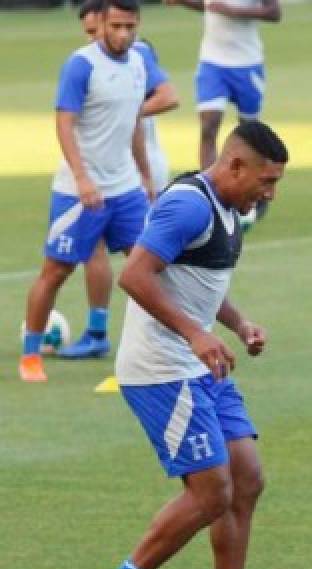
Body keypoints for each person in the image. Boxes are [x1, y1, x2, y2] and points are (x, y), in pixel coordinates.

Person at [82, 120, 288, 569]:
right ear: (234, 165)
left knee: (247, 479)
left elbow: (201, 284)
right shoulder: (189, 205)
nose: (270, 194)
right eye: (266, 181)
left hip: (201, 367)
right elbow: (137, 275)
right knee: (210, 492)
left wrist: (238, 324)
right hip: (160, 371)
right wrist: (196, 334)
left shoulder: (229, 213)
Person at [20, 0, 158, 383]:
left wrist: (144, 174)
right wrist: (82, 179)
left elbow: (133, 123)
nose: (123, 34)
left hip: (125, 188)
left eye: (130, 26)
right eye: (116, 26)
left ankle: (156, 349)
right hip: (79, 191)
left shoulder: (138, 62)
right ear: (101, 24)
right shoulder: (81, 65)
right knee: (56, 271)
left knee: (153, 265)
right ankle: (30, 355)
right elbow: (65, 124)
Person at [65, 0, 180, 369]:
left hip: (134, 169)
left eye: (95, 28)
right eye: (89, 33)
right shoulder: (93, 61)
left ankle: (168, 333)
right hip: (124, 168)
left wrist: (125, 110)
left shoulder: (137, 54)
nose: (95, 37)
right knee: (121, 255)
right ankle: (102, 333)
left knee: (144, 260)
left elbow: (170, 96)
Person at [164, 0, 281, 170]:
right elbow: (209, 6)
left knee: (249, 130)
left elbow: (274, 13)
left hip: (247, 63)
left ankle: (249, 183)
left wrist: (233, 11)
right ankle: (208, 186)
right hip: (212, 62)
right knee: (208, 126)